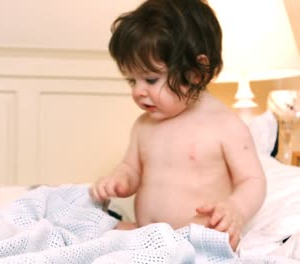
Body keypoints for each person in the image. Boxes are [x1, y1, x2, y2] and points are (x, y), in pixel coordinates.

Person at [89, 0, 266, 250]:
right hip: (145, 234)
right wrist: (119, 180)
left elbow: (252, 180)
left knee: (213, 245)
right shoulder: (144, 125)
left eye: (150, 79)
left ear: (196, 72)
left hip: (197, 239)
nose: (139, 91)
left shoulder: (224, 125)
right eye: (132, 81)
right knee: (93, 229)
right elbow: (131, 169)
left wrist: (236, 208)